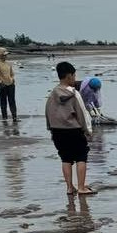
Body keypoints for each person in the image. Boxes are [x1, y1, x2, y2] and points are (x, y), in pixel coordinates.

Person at [45, 61, 96, 196]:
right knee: (81, 156)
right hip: (73, 130)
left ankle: (69, 187)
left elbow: (48, 112)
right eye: (74, 75)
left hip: (57, 131)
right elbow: (82, 114)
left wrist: (50, 128)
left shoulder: (52, 94)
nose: (74, 78)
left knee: (65, 158)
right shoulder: (74, 94)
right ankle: (81, 187)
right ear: (68, 76)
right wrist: (88, 130)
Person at [0, 47, 18, 121]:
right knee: (3, 101)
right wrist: (0, 82)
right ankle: (4, 117)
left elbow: (12, 74)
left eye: (6, 55)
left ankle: (14, 116)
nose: (6, 56)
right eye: (4, 55)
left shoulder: (8, 63)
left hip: (11, 84)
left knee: (12, 100)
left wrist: (12, 80)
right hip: (2, 85)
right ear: (0, 55)